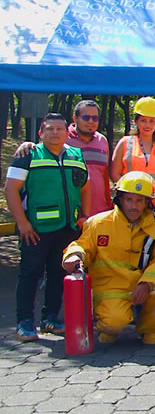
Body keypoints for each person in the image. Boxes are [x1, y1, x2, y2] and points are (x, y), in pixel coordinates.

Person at [61, 171, 155, 345]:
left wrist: (147, 284)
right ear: (119, 199)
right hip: (110, 286)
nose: (134, 206)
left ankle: (148, 327)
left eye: (139, 200)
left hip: (141, 284)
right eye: (129, 200)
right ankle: (108, 326)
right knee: (114, 323)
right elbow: (83, 245)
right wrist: (74, 255)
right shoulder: (98, 223)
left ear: (147, 203)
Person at [6, 113, 92, 341]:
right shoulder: (28, 155)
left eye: (59, 129)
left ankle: (50, 318)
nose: (55, 133)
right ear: (40, 133)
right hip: (35, 230)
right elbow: (10, 189)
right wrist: (22, 223)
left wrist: (85, 215)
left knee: (58, 273)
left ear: (67, 132)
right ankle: (24, 322)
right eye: (50, 129)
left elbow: (85, 187)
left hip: (67, 228)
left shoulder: (75, 155)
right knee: (30, 273)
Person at [111, 96, 155, 214]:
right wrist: (132, 195)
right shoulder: (125, 143)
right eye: (143, 120)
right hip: (128, 206)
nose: (147, 125)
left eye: (151, 121)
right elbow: (114, 173)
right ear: (136, 121)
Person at [65, 100, 112, 216]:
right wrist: (28, 145)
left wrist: (109, 205)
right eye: (86, 117)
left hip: (100, 212)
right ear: (75, 118)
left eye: (95, 118)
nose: (91, 121)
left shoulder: (102, 141)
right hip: (73, 214)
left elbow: (104, 176)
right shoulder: (63, 139)